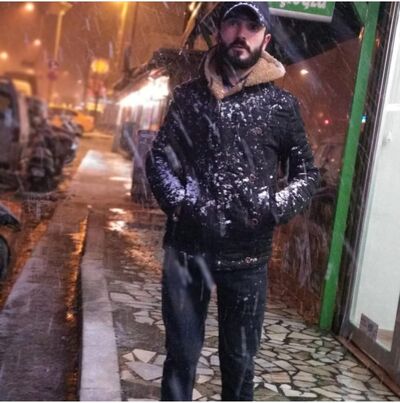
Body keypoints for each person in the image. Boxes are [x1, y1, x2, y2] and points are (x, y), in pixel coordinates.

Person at [146, 2, 320, 400]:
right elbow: (159, 159)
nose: (242, 34)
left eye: (251, 27)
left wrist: (271, 208)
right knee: (181, 358)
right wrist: (181, 203)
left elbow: (306, 175)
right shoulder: (188, 98)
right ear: (219, 32)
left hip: (247, 260)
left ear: (266, 39)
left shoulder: (281, 107)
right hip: (187, 253)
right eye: (233, 24)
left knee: (239, 364)